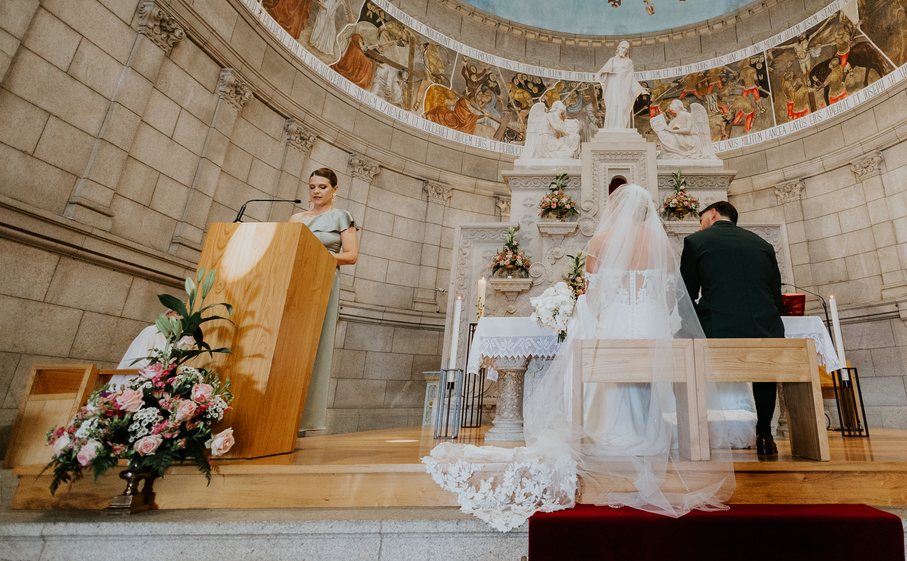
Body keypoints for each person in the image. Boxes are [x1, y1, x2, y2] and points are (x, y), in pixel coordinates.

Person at [423, 184, 734, 531]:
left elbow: (594, 297)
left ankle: (613, 434)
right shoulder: (662, 244)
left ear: (616, 209)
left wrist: (592, 317)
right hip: (651, 326)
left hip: (615, 323)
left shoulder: (600, 241)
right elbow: (666, 298)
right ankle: (646, 434)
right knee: (645, 371)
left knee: (605, 370)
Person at [679, 200, 785, 457]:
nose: (700, 226)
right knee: (764, 371)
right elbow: (776, 296)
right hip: (765, 326)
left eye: (701, 220)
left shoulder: (696, 242)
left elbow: (685, 294)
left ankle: (696, 434)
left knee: (687, 354)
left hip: (717, 327)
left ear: (713, 214)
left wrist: (691, 323)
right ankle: (764, 434)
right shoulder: (763, 244)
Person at [289, 167, 358, 433]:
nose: (316, 191)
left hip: (323, 281)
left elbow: (351, 256)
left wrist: (317, 255)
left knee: (314, 345)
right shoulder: (296, 218)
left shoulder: (342, 217)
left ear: (334, 190)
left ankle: (305, 418)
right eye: (312, 187)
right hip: (293, 280)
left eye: (322, 187)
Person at [596, 40, 644, 130]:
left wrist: (640, 88)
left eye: (626, 49)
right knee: (613, 106)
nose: (624, 50)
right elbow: (600, 73)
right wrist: (606, 71)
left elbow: (632, 78)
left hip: (624, 86)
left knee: (624, 107)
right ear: (618, 48)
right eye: (623, 48)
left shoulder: (629, 62)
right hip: (613, 85)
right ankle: (612, 128)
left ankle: (622, 128)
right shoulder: (612, 60)